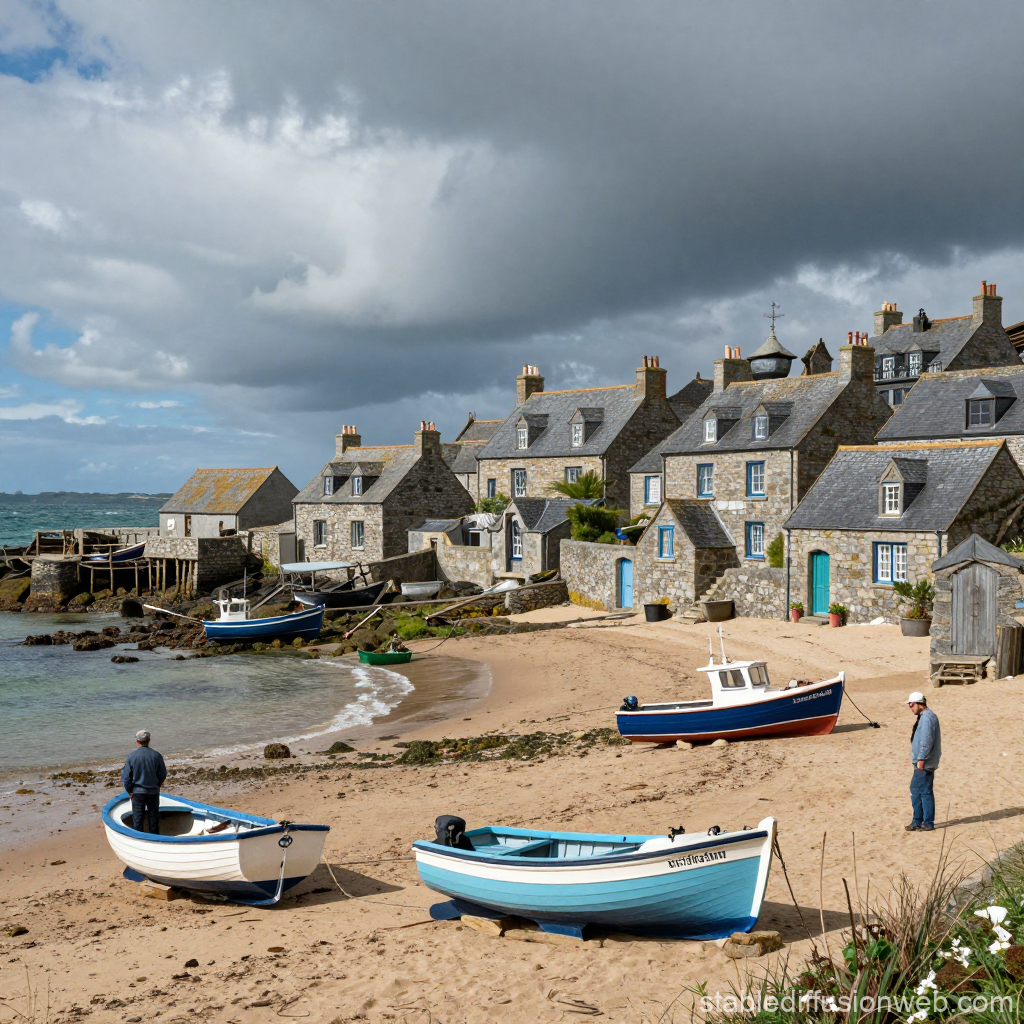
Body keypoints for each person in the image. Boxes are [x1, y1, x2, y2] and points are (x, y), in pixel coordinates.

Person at [905, 692, 941, 832]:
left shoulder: (927, 718)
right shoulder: (925, 716)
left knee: (924, 791)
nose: (910, 707)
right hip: (923, 761)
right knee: (916, 790)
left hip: (925, 762)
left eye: (911, 704)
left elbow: (926, 741)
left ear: (919, 703)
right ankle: (918, 821)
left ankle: (926, 822)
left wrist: (921, 759)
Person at [121, 730, 167, 834]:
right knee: (153, 819)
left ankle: (139, 839)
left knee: (138, 820)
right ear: (149, 741)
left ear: (137, 742)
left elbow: (126, 777)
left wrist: (130, 791)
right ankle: (155, 840)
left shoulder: (132, 756)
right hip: (153, 792)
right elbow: (163, 774)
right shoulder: (156, 755)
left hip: (138, 792)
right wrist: (157, 785)